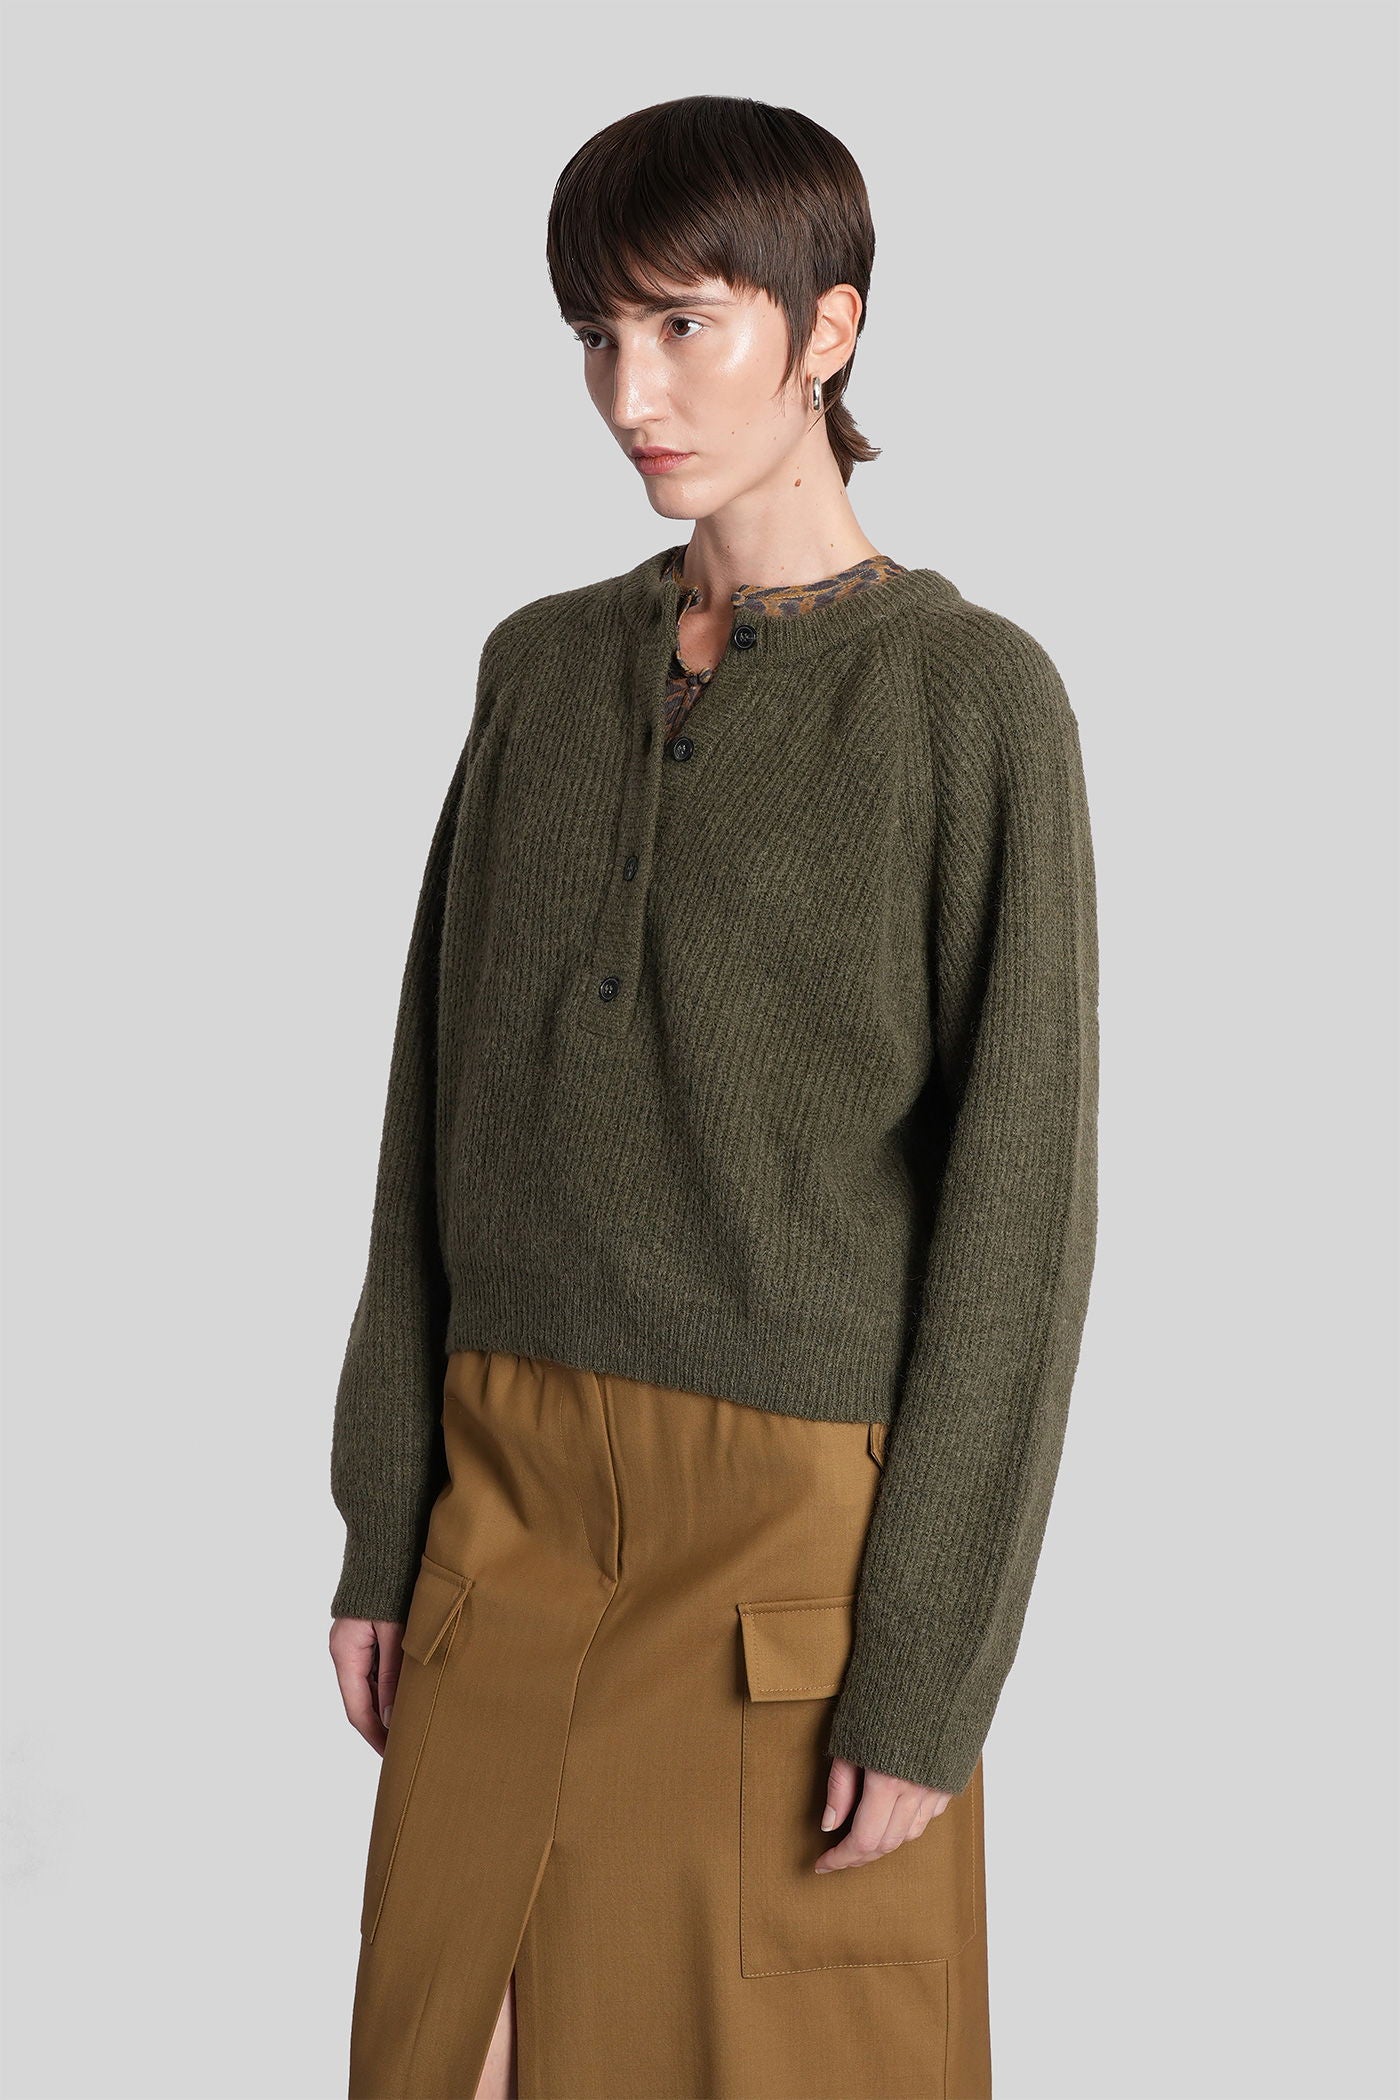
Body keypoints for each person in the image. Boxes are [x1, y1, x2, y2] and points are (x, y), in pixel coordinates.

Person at [327, 93, 1098, 2100]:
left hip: (787, 1562)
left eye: (685, 325)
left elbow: (1015, 1225)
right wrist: (384, 1515)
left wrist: (927, 1667)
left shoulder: (968, 701)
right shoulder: (537, 671)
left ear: (827, 328)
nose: (629, 391)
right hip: (500, 1522)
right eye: (598, 334)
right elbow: (428, 1112)